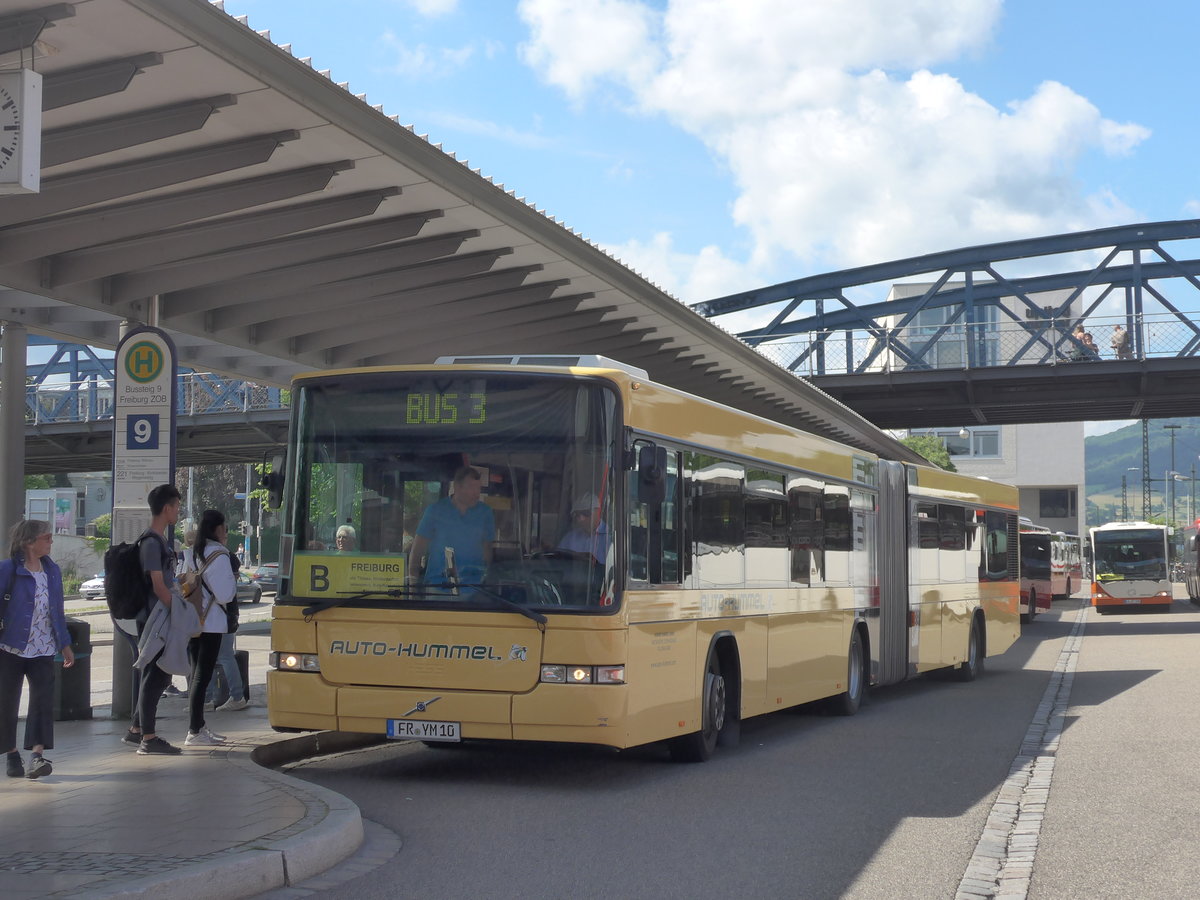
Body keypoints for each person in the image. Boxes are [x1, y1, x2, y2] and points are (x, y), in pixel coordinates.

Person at [0, 520, 73, 779]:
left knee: (42, 702)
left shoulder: (51, 571)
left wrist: (64, 644)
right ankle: (11, 754)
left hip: (43, 648)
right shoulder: (7, 570)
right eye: (46, 538)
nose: (51, 542)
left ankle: (37, 757)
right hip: (10, 647)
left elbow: (58, 611)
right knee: (7, 703)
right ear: (29, 542)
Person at [124, 483, 184, 755]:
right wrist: (179, 611)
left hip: (158, 615)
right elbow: (158, 586)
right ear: (167, 508)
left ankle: (137, 731)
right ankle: (148, 738)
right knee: (157, 676)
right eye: (177, 507)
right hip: (155, 618)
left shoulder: (157, 541)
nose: (179, 512)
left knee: (157, 674)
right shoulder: (151, 542)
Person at [181, 510, 236, 746]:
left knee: (197, 674)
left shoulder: (193, 553)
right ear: (218, 529)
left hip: (193, 619)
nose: (226, 531)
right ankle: (194, 731)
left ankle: (199, 727)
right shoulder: (220, 555)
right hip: (211, 622)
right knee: (202, 677)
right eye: (224, 527)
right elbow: (225, 595)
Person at [409, 466, 494, 589]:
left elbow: (487, 550)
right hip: (437, 587)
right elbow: (417, 550)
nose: (477, 493)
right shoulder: (435, 511)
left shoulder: (485, 512)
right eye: (471, 487)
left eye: (478, 487)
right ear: (457, 487)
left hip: (475, 588)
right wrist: (412, 587)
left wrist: (488, 580)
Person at [556, 493, 609, 564]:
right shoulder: (570, 538)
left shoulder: (610, 537)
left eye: (586, 513)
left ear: (598, 512)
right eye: (577, 514)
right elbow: (558, 561)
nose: (581, 519)